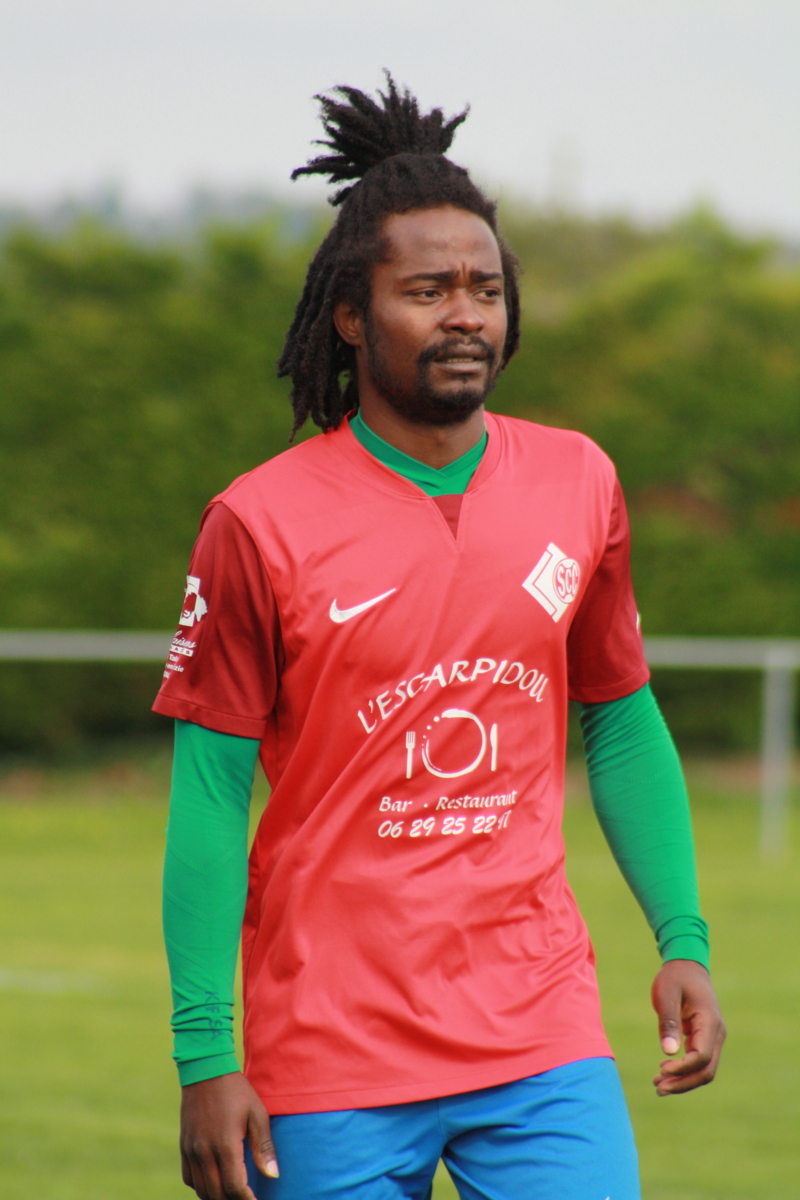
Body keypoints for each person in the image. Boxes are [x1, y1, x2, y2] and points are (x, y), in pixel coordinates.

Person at [154, 76, 725, 1200]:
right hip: (330, 1042)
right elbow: (211, 792)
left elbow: (618, 719)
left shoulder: (578, 480)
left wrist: (683, 939)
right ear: (351, 316)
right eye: (427, 290)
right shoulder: (257, 522)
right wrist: (206, 1053)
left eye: (485, 289)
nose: (465, 315)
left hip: (539, 1027)